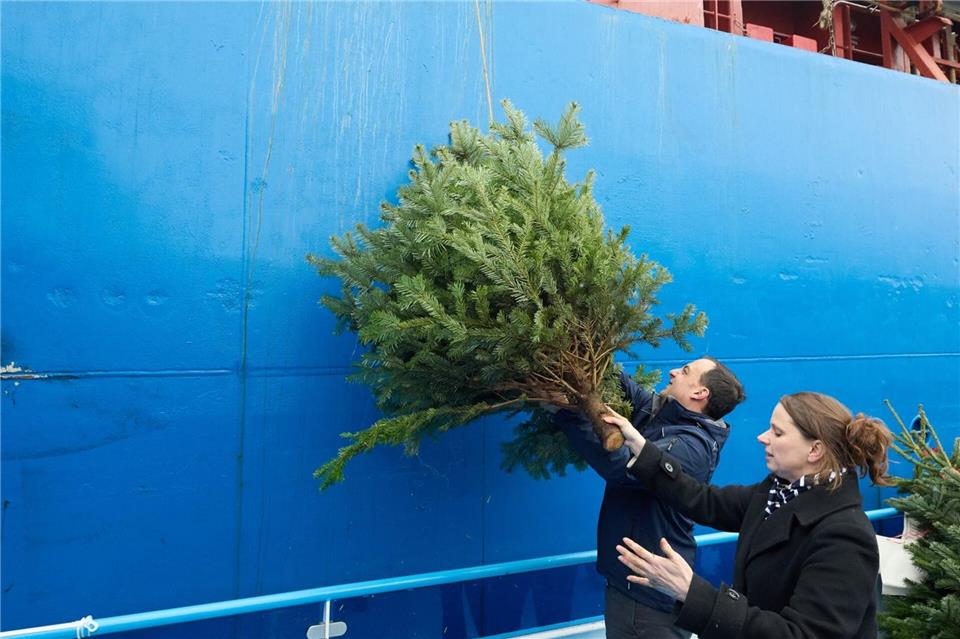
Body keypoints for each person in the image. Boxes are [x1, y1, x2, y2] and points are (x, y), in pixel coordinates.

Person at [608, 391, 893, 639]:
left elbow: (804, 634)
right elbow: (705, 501)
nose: (762, 437)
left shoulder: (845, 537)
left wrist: (692, 593)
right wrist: (643, 451)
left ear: (815, 450)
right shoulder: (777, 493)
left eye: (777, 432)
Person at [552, 357, 746, 639]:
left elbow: (621, 467)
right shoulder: (667, 414)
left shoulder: (692, 447)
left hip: (646, 599)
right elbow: (625, 387)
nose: (673, 371)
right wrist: (587, 355)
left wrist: (566, 411)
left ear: (699, 394)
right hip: (632, 588)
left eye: (685, 371)